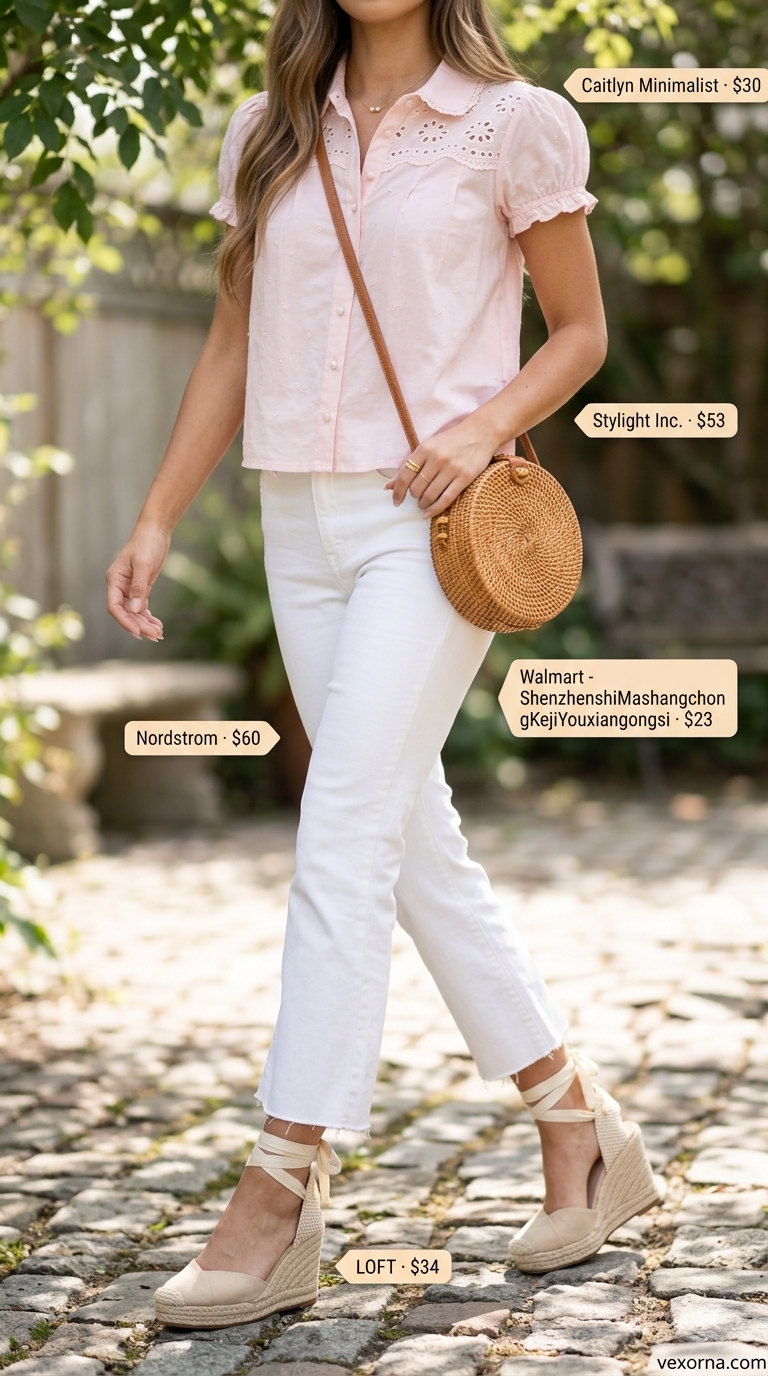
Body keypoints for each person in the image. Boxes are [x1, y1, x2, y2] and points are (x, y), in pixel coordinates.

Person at [106, 0, 660, 1330]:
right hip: (296, 518)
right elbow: (234, 344)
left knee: (343, 825)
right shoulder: (270, 132)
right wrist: (160, 514)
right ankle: (579, 1128)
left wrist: (483, 426)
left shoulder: (517, 125)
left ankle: (284, 1184)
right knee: (410, 842)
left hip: (435, 520)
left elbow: (580, 332)